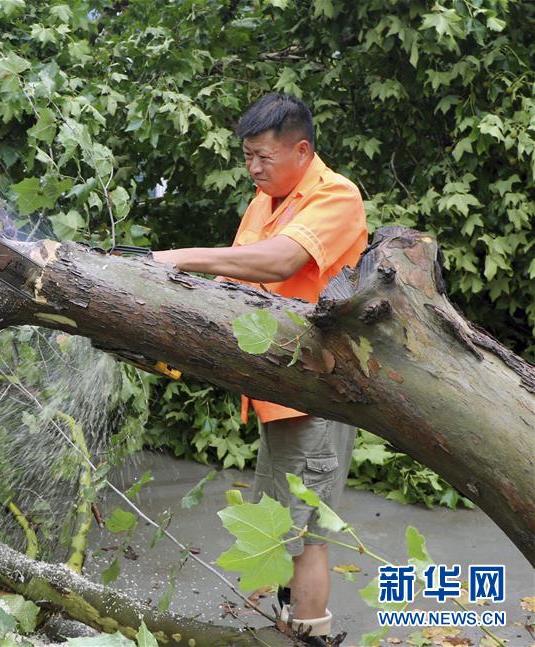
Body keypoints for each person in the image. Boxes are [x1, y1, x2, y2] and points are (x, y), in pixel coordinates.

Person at [152, 92, 368, 645]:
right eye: (247, 156)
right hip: (276, 388)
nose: (252, 168)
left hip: (318, 391)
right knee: (280, 526)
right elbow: (235, 278)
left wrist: (175, 258)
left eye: (262, 157)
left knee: (307, 532)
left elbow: (280, 261)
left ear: (301, 150)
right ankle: (285, 625)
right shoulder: (263, 199)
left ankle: (310, 637)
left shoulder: (336, 195)